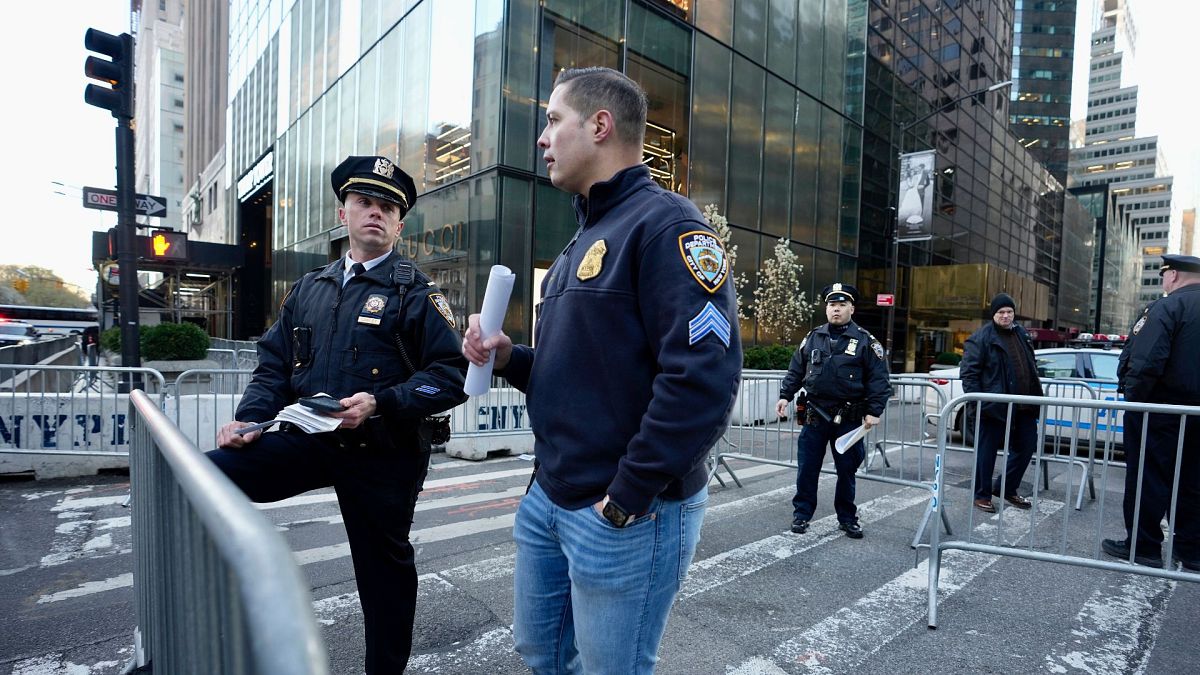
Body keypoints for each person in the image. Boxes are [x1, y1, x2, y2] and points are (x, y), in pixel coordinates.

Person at [461, 67, 741, 674]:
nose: (542, 138)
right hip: (551, 496)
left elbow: (703, 380)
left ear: (601, 125)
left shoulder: (668, 226)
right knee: (542, 656)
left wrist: (625, 498)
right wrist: (509, 358)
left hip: (624, 513)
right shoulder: (578, 242)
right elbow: (575, 374)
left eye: (552, 119)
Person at [209, 155, 468, 673]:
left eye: (387, 207)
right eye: (364, 202)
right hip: (312, 438)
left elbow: (451, 375)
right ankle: (209, 631)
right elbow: (274, 364)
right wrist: (250, 419)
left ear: (399, 223)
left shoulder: (416, 292)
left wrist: (381, 403)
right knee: (206, 476)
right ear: (343, 212)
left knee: (383, 570)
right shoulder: (311, 288)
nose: (375, 213)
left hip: (385, 453)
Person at [1103, 253, 1200, 571]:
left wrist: (1135, 402)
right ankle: (1190, 550)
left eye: (1163, 275)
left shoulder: (1168, 307)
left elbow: (1145, 363)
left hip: (1159, 412)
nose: (1163, 280)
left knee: (1148, 477)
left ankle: (1143, 546)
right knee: (1192, 481)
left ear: (1173, 275)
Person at [775, 283, 891, 538]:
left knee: (846, 471)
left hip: (849, 417)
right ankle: (802, 514)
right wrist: (785, 395)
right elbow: (797, 369)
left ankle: (847, 518)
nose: (835, 310)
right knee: (807, 468)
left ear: (852, 308)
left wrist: (875, 410)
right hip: (815, 414)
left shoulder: (865, 341)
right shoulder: (814, 336)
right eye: (831, 305)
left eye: (841, 305)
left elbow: (879, 380)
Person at [960, 292, 1042, 513]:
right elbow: (969, 375)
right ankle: (982, 495)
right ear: (993, 315)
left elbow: (1030, 366)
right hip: (993, 406)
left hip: (1024, 405)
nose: (1006, 316)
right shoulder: (981, 338)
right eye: (1001, 312)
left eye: (1009, 312)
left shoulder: (1022, 333)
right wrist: (980, 402)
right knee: (986, 453)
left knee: (1026, 446)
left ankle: (1007, 488)